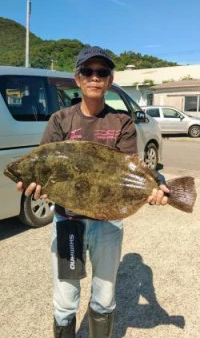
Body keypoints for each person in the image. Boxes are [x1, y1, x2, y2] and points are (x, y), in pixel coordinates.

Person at [17, 46, 169, 338]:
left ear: (110, 80)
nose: (95, 77)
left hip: (108, 224)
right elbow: (44, 166)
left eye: (102, 72)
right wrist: (37, 189)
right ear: (77, 78)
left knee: (104, 297)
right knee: (65, 299)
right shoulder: (60, 121)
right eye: (88, 71)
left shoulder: (122, 123)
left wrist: (155, 184)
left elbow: (130, 171)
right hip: (67, 223)